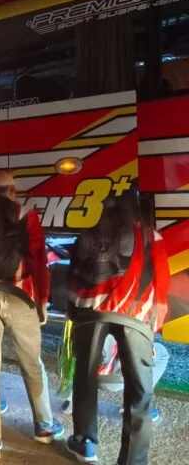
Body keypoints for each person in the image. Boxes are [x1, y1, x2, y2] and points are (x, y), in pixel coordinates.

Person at [0, 172, 63, 459]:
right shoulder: (26, 216)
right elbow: (39, 259)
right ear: (12, 192)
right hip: (19, 294)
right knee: (31, 362)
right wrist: (42, 299)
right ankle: (44, 426)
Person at [66, 190, 170, 465]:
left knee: (85, 378)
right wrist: (155, 323)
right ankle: (133, 460)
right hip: (135, 315)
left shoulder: (87, 233)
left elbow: (72, 276)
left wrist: (74, 313)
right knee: (140, 391)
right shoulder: (149, 235)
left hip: (91, 312)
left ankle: (85, 443)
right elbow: (162, 280)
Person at [60, 334, 169, 423]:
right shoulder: (127, 310)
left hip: (82, 375)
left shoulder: (78, 309)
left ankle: (73, 401)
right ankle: (135, 405)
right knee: (162, 352)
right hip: (114, 378)